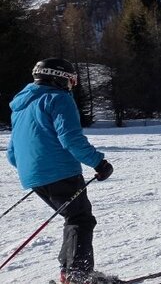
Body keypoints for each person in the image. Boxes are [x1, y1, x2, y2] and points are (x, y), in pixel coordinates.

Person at [6, 58, 117, 284]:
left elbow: (12, 152)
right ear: (57, 78)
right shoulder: (58, 98)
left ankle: (70, 272)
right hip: (60, 171)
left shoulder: (20, 106)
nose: (71, 86)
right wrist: (99, 163)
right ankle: (78, 275)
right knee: (80, 218)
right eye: (70, 80)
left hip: (33, 176)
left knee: (73, 217)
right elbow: (71, 138)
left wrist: (36, 170)